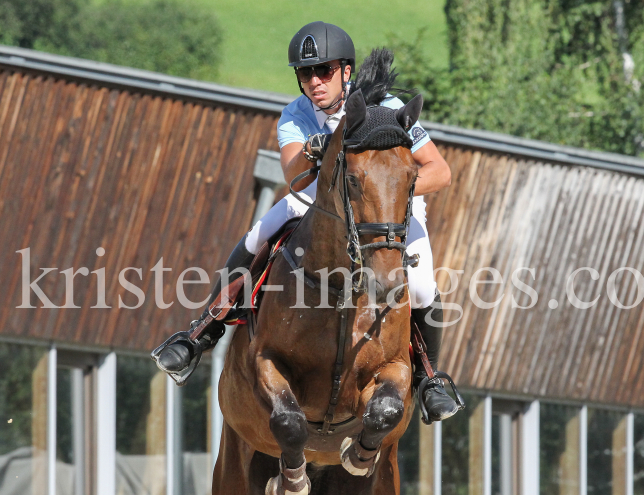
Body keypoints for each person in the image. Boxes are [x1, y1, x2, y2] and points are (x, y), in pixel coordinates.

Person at [154, 21, 461, 423]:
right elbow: (295, 177)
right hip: (317, 200)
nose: (315, 81)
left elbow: (440, 171)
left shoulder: (385, 109)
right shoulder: (295, 116)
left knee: (420, 285)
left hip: (387, 207)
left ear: (346, 71)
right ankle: (202, 332)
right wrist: (312, 151)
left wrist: (388, 190)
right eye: (306, 73)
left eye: (325, 71)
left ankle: (430, 377)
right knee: (257, 236)